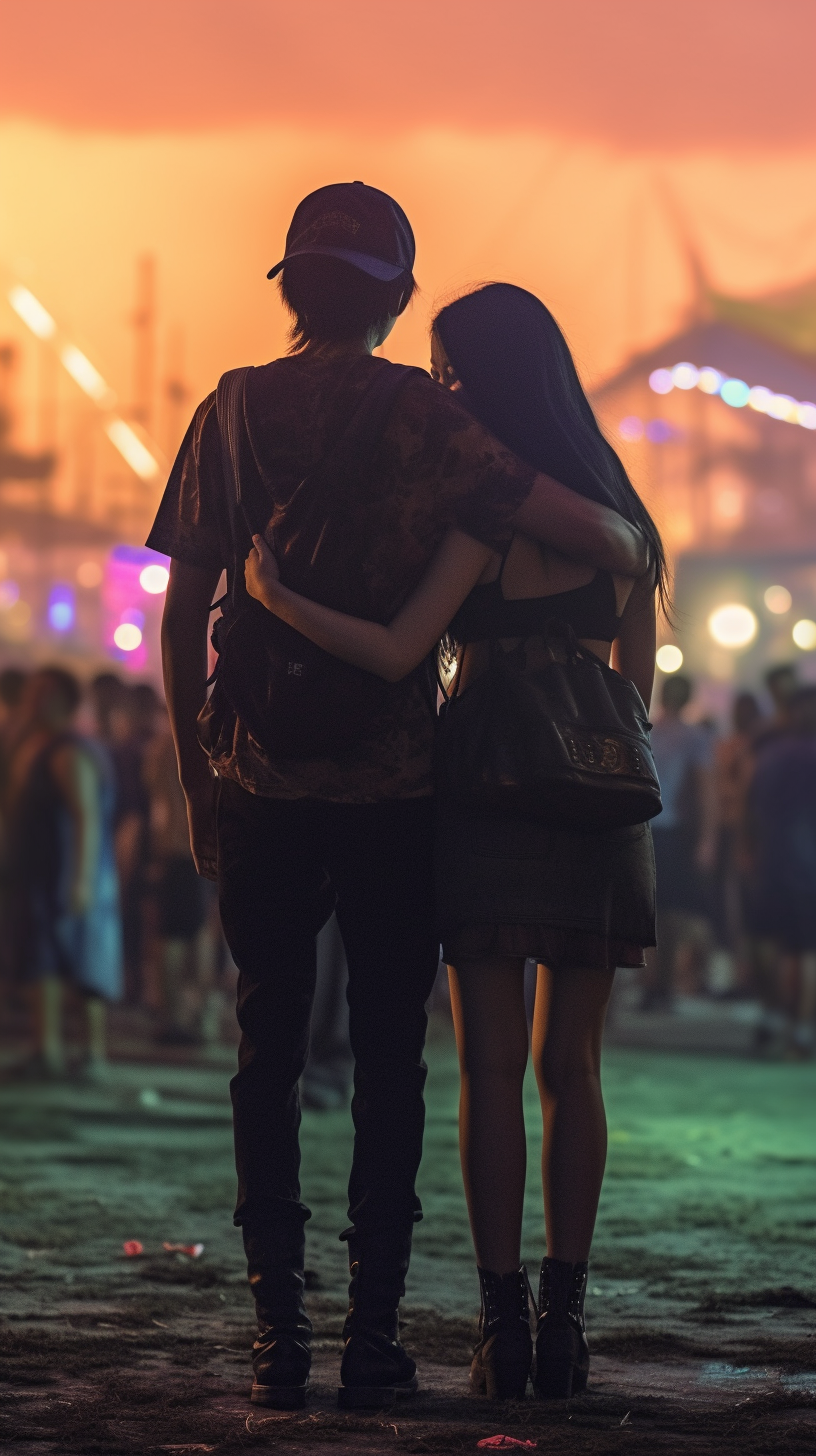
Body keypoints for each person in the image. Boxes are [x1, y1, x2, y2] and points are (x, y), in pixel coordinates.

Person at [148, 185, 647, 1411]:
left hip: (255, 770)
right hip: (395, 785)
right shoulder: (432, 420)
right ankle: (373, 1340)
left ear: (290, 287)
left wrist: (195, 780)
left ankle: (277, 1336)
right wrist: (630, 544)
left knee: (267, 1053)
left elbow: (181, 607)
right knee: (388, 1058)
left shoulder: (227, 410)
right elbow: (586, 527)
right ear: (397, 298)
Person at [6, 668, 123, 1078]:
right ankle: (48, 1051)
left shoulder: (68, 751)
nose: (31, 701)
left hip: (68, 873)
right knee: (43, 963)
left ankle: (92, 1055)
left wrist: (81, 880)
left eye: (43, 693)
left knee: (83, 961)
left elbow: (86, 816)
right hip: (41, 873)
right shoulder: (37, 746)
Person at [747, 686, 816, 1057]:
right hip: (781, 864)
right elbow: (753, 810)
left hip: (791, 866)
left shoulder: (772, 754)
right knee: (790, 948)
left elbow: (751, 810)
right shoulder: (772, 754)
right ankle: (788, 1023)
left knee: (796, 949)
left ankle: (790, 1023)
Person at [640, 674, 716, 1011]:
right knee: (667, 913)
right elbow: (705, 792)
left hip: (647, 829)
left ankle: (654, 985)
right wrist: (706, 840)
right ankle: (661, 987)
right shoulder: (694, 736)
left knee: (651, 912)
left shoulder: (649, 729)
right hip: (670, 832)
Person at [710, 691, 762, 994]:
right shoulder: (729, 747)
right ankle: (741, 974)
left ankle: (747, 976)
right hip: (731, 830)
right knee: (731, 905)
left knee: (740, 905)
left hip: (745, 831)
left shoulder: (747, 748)